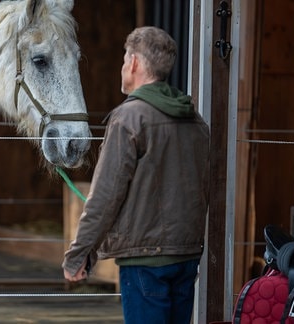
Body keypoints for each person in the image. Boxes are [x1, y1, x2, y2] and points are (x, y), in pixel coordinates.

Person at [62, 26, 210, 324]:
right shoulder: (195, 120)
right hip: (186, 256)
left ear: (134, 63)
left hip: (144, 262)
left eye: (123, 60)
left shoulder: (129, 118)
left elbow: (105, 196)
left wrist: (78, 254)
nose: (122, 67)